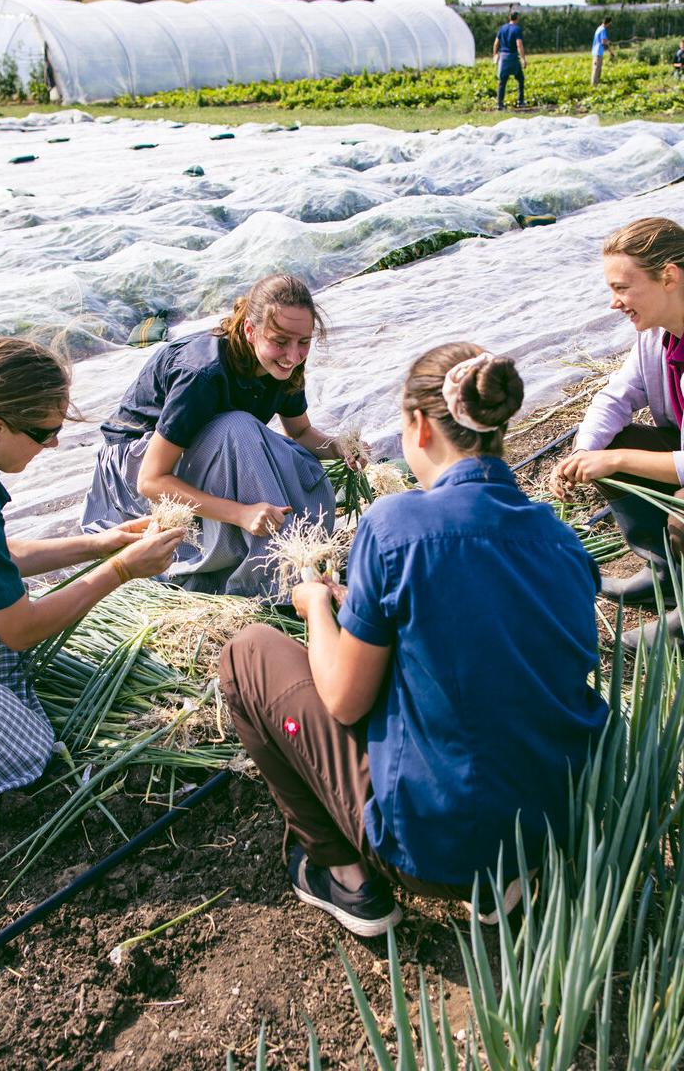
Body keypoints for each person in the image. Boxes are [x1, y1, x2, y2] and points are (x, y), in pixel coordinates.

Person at [221, 344, 607, 937]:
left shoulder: (393, 523)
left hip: (441, 848)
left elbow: (344, 700)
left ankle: (345, 876)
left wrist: (318, 606)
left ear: (420, 427)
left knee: (247, 653)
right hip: (550, 825)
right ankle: (509, 879)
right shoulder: (560, 540)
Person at [0, 337, 184, 840]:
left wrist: (98, 544)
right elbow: (21, 630)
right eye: (44, 432)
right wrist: (122, 570)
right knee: (21, 741)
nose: (53, 446)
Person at [82, 274, 361, 598]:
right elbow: (151, 481)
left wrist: (338, 447)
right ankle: (276, 580)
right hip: (135, 465)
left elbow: (299, 432)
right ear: (249, 331)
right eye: (280, 341)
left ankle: (302, 554)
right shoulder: (202, 374)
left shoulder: (285, 363)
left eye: (304, 342)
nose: (293, 355)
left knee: (295, 462)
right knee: (239, 428)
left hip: (207, 447)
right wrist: (240, 514)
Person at [552, 217, 684, 651]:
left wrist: (616, 461)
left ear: (669, 276)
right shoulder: (658, 337)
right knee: (608, 442)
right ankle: (664, 571)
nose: (614, 303)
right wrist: (584, 452)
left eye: (622, 288)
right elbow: (615, 397)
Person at [493, 9, 527, 111]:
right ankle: (520, 101)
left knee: (502, 82)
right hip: (512, 57)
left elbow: (496, 43)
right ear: (517, 18)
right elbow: (519, 44)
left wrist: (495, 54)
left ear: (509, 18)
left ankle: (499, 104)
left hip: (503, 57)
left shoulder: (502, 28)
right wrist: (523, 58)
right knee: (520, 79)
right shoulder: (517, 29)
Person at [591, 16, 612, 87]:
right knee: (597, 69)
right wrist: (610, 51)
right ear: (608, 23)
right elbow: (603, 42)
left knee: (596, 68)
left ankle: (596, 84)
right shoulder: (603, 30)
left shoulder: (598, 28)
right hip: (598, 52)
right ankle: (594, 85)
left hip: (595, 51)